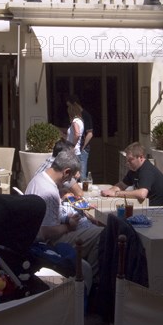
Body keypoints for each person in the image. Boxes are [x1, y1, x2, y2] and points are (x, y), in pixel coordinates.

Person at [25, 149, 104, 279]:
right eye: (71, 177)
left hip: (38, 235)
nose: (69, 182)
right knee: (101, 233)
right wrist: (69, 226)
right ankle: (91, 280)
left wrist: (67, 219)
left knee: (90, 226)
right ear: (66, 172)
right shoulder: (49, 191)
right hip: (51, 242)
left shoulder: (38, 178)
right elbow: (45, 232)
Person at [101, 142, 163, 206]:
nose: (127, 163)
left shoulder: (147, 170)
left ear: (141, 157)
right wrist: (110, 191)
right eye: (127, 160)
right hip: (146, 207)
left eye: (130, 160)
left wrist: (116, 193)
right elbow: (122, 185)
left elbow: (142, 194)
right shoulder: (134, 170)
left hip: (160, 210)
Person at [67, 94, 93, 178]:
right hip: (78, 148)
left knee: (80, 175)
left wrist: (82, 147)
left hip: (81, 149)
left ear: (73, 104)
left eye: (69, 106)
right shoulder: (79, 119)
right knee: (78, 174)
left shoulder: (84, 116)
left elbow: (89, 133)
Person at [66, 102, 84, 176]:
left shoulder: (75, 121)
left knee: (72, 175)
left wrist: (72, 146)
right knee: (76, 175)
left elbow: (77, 134)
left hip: (73, 152)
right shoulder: (80, 121)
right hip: (76, 152)